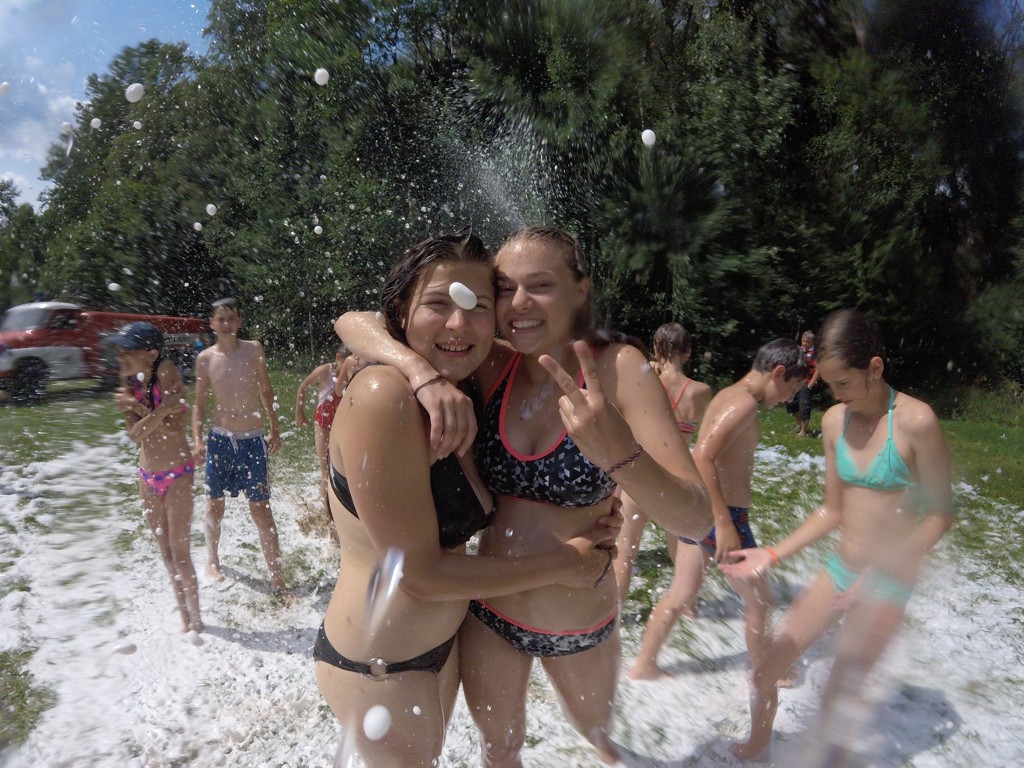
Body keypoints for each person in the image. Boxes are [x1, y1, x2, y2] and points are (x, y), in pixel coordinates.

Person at [337, 225, 711, 766]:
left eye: (540, 285)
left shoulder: (618, 371)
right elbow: (356, 321)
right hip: (489, 615)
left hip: (579, 617)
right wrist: (417, 371)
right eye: (505, 289)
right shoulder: (494, 363)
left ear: (580, 290)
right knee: (499, 750)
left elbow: (696, 519)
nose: (518, 303)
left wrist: (621, 456)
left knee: (600, 740)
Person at [720, 309, 953, 762]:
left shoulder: (916, 422)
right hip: (842, 569)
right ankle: (758, 746)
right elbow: (833, 509)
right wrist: (771, 553)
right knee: (765, 671)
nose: (835, 394)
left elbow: (939, 517)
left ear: (875, 367)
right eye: (828, 384)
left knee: (835, 704)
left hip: (888, 579)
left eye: (843, 382)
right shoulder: (833, 422)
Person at [627, 338, 809, 681]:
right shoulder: (743, 404)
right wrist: (724, 524)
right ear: (778, 372)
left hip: (703, 510)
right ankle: (765, 671)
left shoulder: (729, 395)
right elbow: (703, 457)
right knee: (761, 601)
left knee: (682, 592)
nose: (790, 398)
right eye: (794, 388)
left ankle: (644, 665)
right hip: (724, 516)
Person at [613, 322, 713, 611]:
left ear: (656, 348)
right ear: (688, 352)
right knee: (679, 548)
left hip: (639, 477)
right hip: (675, 482)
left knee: (625, 552)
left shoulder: (642, 382)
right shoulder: (700, 391)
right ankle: (688, 606)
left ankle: (615, 617)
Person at [110, 322, 202, 634]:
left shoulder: (166, 371)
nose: (121, 357)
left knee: (180, 554)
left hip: (177, 474)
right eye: (119, 350)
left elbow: (175, 429)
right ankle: (185, 618)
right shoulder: (126, 380)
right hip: (147, 474)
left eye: (127, 350)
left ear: (150, 353)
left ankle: (197, 618)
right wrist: (159, 410)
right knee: (165, 552)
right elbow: (135, 435)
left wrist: (139, 408)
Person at [192, 297, 286, 592]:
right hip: (220, 440)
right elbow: (199, 405)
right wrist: (197, 440)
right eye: (220, 319)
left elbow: (266, 390)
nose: (226, 324)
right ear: (212, 323)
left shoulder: (253, 349)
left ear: (239, 322)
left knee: (261, 510)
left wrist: (275, 428)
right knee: (214, 505)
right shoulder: (205, 359)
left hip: (252, 440)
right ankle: (212, 560)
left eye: (231, 319)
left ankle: (278, 579)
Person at [294, 343, 362, 519]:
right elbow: (303, 387)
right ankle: (328, 514)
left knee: (341, 468)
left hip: (342, 422)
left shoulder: (352, 374)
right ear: (338, 358)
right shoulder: (325, 371)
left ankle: (341, 510)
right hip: (323, 422)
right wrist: (299, 413)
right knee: (325, 468)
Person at [786, 330, 820, 437]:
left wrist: (810, 385)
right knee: (791, 404)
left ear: (812, 342)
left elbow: (818, 370)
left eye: (807, 342)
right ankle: (800, 424)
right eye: (803, 341)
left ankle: (803, 431)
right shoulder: (799, 351)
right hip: (796, 382)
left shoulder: (815, 354)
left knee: (804, 407)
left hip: (807, 383)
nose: (804, 343)